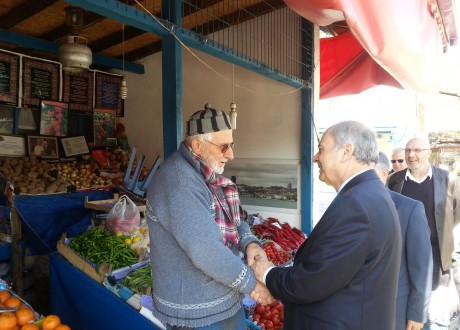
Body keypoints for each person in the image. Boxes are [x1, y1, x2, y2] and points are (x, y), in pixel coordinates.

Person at [250, 120, 402, 329]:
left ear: (346, 152)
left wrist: (267, 272)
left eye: (321, 149)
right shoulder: (370, 194)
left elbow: (313, 281)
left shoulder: (356, 204)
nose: (315, 157)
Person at [145, 104, 273, 329]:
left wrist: (249, 243)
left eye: (231, 145)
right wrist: (253, 285)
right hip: (197, 314)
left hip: (221, 301)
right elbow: (206, 251)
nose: (231, 154)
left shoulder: (204, 173)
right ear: (197, 145)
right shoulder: (179, 182)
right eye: (224, 147)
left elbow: (235, 219)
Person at [387, 137, 460, 321]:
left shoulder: (449, 180)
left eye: (417, 150)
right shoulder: (394, 181)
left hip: (437, 261)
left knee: (433, 314)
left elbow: (456, 217)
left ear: (429, 152)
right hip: (404, 259)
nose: (412, 155)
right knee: (408, 312)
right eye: (408, 150)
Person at [375, 151, 433, 330]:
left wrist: (417, 312)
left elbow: (421, 266)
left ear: (384, 174)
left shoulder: (409, 209)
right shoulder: (347, 207)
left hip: (395, 311)